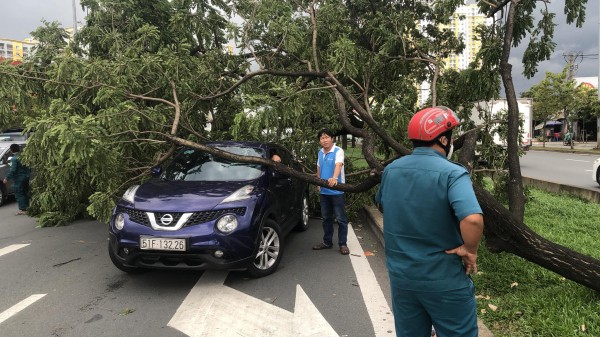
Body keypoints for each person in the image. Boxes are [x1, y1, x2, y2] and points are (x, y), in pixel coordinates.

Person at [375, 106, 484, 337]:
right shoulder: (453, 173)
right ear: (444, 139)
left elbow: (382, 205)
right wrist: (470, 249)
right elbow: (473, 220)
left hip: (402, 279)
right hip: (443, 280)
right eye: (451, 136)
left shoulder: (391, 171)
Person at [312, 128, 350, 255]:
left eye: (327, 137)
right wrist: (318, 182)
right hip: (324, 192)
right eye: (322, 138)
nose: (325, 140)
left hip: (337, 191)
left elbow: (338, 165)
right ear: (319, 141)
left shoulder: (338, 151)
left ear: (332, 138)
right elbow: (318, 167)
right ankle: (327, 242)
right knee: (326, 218)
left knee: (340, 219)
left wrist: (334, 178)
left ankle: (343, 244)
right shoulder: (320, 152)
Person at [3, 144, 31, 215]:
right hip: (26, 177)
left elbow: (13, 170)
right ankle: (28, 208)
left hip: (18, 178)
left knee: (19, 193)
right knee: (25, 193)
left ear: (11, 150)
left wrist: (7, 178)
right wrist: (28, 175)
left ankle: (23, 209)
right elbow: (29, 168)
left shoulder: (14, 159)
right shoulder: (24, 157)